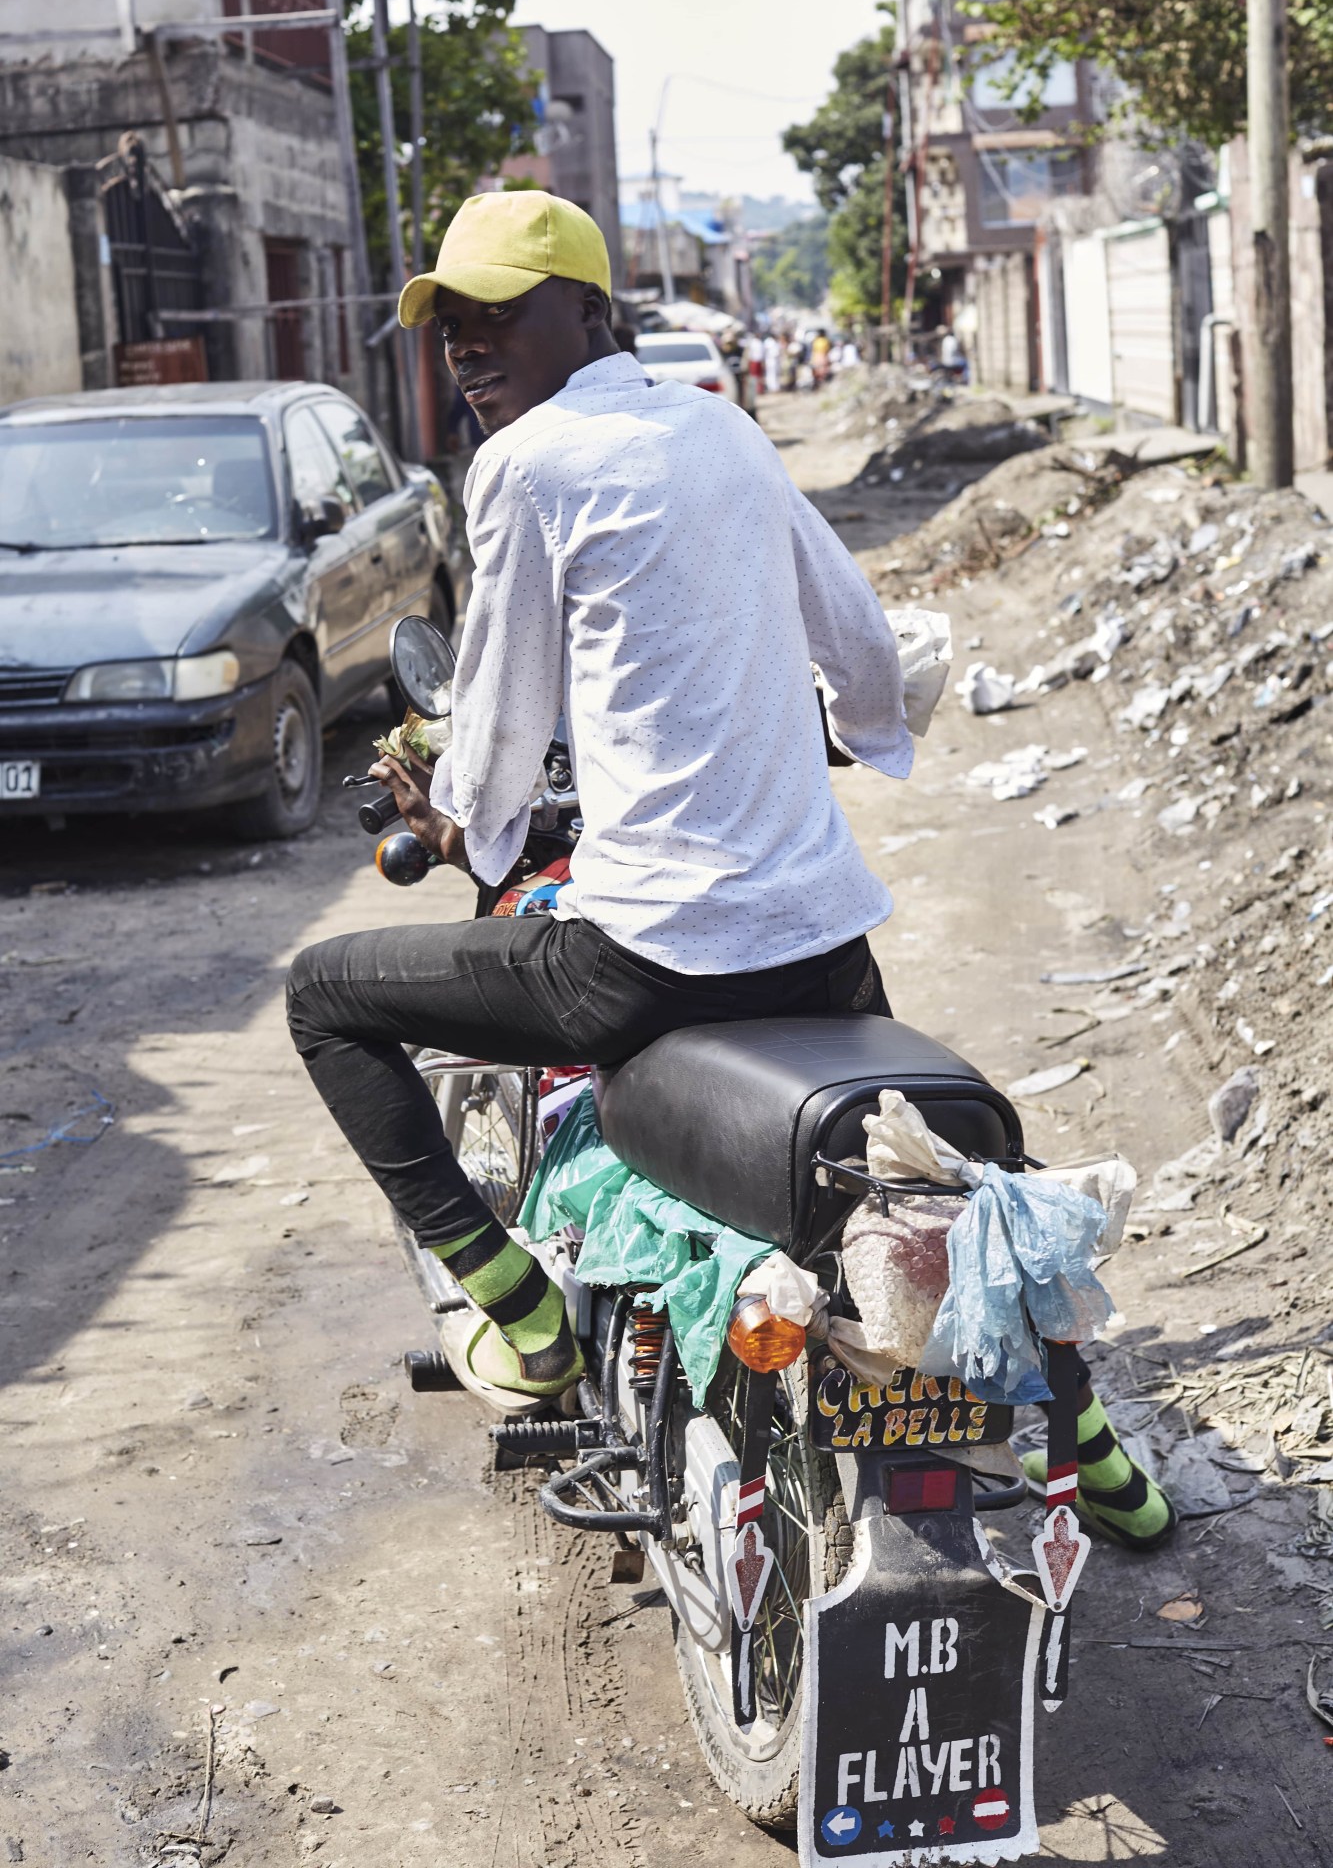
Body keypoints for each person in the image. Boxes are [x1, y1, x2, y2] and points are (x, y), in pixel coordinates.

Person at [284, 191, 1174, 1549]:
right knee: (920, 1161)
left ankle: (515, 1307)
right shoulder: (725, 432)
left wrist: (464, 820)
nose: (466, 347)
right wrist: (846, 735)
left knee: (323, 995)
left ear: (590, 308)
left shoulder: (524, 465)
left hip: (637, 962)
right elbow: (866, 650)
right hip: (822, 939)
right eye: (449, 325)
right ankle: (1091, 1441)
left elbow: (501, 726)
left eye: (496, 313)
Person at [763, 330, 782, 395]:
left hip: (774, 360)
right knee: (771, 374)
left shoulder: (774, 342)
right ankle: (772, 388)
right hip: (770, 360)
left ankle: (774, 388)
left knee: (775, 374)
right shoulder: (769, 342)